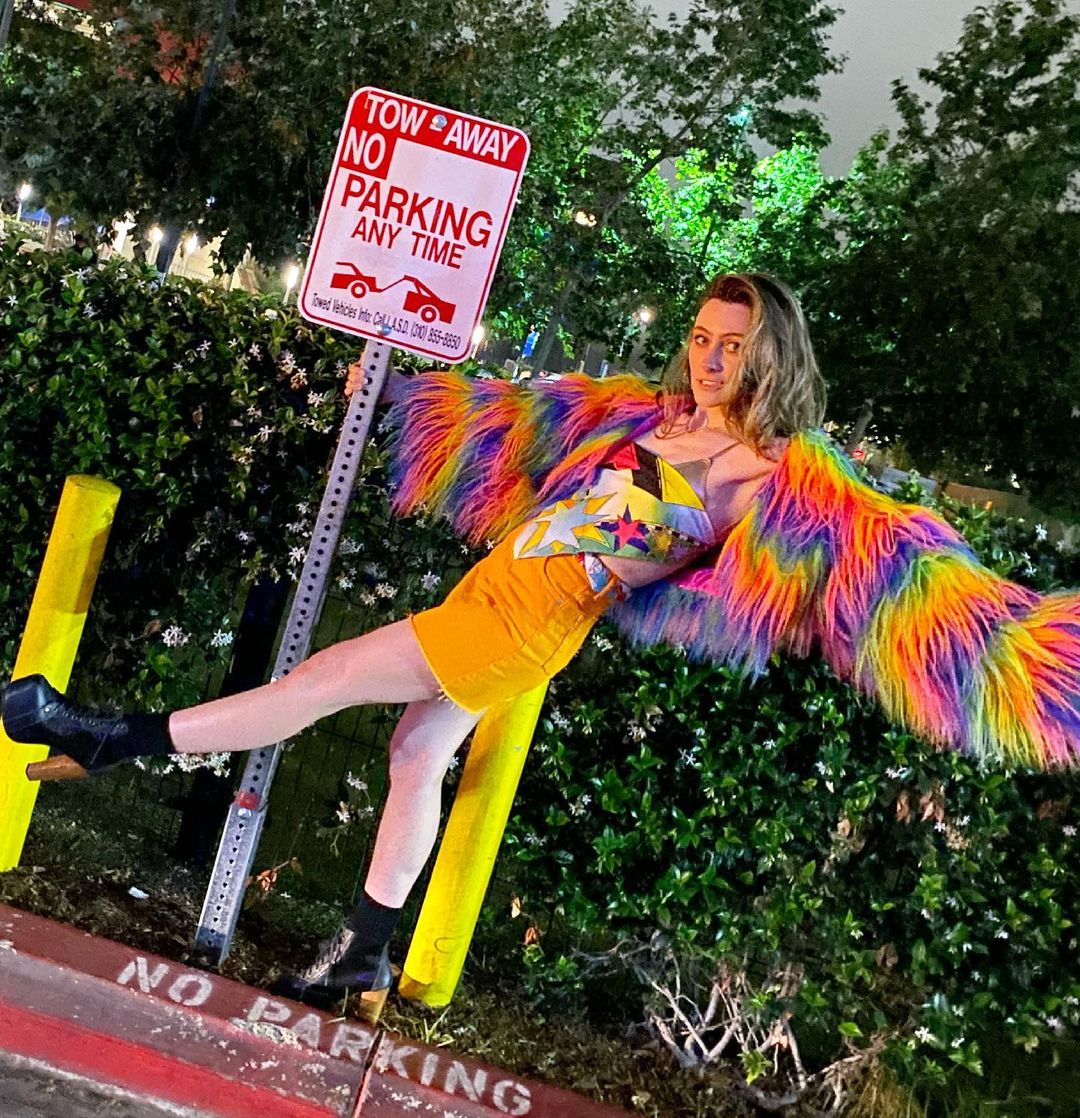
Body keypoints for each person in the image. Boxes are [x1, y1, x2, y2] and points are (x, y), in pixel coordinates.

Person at [4, 273, 1078, 1020]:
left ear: (773, 355)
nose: (710, 358)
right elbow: (510, 415)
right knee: (416, 754)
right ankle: (364, 952)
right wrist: (395, 396)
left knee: (321, 680)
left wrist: (1024, 644)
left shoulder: (772, 474)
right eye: (702, 337)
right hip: (499, 588)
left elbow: (895, 566)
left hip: (525, 622)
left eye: (735, 345)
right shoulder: (652, 415)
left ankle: (106, 736)